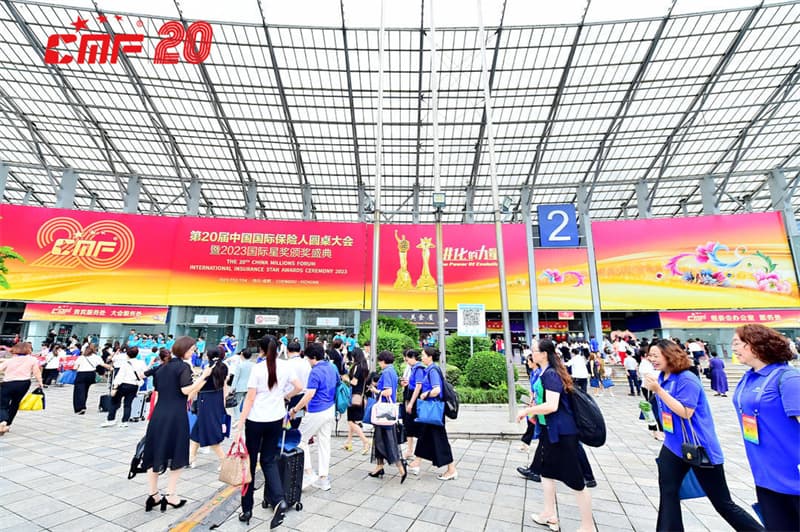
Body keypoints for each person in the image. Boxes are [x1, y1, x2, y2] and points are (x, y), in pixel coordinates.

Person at [642, 339, 763, 532]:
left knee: (722, 503)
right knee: (668, 493)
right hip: (672, 446)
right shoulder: (663, 377)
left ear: (670, 355)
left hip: (699, 447)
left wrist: (658, 390)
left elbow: (685, 412)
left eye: (656, 355)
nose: (652, 359)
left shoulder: (686, 379)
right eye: (650, 356)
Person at [515, 339, 594, 532]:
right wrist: (534, 409)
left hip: (563, 433)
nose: (531, 354)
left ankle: (588, 526)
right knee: (546, 472)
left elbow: (552, 405)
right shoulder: (543, 372)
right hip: (549, 431)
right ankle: (549, 514)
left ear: (544, 354)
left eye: (534, 350)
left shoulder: (551, 374)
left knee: (575, 480)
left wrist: (527, 411)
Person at [731, 324, 800, 531]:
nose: (734, 348)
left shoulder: (788, 378)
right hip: (765, 476)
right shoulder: (748, 378)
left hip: (795, 479)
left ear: (757, 345)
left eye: (738, 343)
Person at [236, 334, 303, 526]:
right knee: (269, 460)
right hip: (275, 419)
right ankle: (280, 500)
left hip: (255, 420)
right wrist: (285, 396)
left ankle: (247, 509)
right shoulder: (286, 366)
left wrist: (240, 421)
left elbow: (250, 398)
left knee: (249, 463)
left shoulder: (257, 368)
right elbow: (299, 387)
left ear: (262, 350)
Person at [142, 337, 211, 512]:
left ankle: (153, 494)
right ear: (185, 349)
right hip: (176, 416)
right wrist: (203, 376)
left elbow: (159, 389)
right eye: (192, 349)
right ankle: (171, 495)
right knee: (176, 453)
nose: (193, 352)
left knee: (155, 452)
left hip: (158, 415)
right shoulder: (183, 367)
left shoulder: (162, 367)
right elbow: (185, 390)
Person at [290, 342, 339, 491]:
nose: (308, 362)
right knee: (324, 443)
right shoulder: (331, 367)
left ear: (313, 357)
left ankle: (309, 473)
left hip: (317, 410)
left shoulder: (315, 371)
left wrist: (295, 409)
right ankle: (323, 479)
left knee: (300, 440)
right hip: (330, 408)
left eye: (308, 359)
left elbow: (310, 394)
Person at [408, 347, 455, 481]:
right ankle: (416, 462)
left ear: (430, 357)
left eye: (423, 355)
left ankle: (451, 469)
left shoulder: (433, 371)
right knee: (424, 436)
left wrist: (425, 394)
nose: (421, 357)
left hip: (433, 411)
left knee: (440, 440)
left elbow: (437, 390)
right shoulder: (429, 369)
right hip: (430, 412)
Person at [367, 350, 408, 483]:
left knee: (387, 440)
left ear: (383, 361)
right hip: (386, 413)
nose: (379, 363)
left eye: (379, 361)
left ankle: (401, 468)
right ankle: (379, 467)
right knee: (380, 439)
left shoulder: (386, 372)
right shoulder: (392, 371)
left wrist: (376, 390)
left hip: (384, 413)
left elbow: (388, 392)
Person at [189, 346, 229, 468]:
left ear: (208, 356)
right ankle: (191, 458)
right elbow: (224, 385)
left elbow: (199, 386)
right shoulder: (224, 367)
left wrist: (189, 396)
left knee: (210, 432)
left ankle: (224, 460)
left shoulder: (209, 368)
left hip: (206, 401)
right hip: (217, 400)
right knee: (196, 431)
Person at [0, 342, 44, 435]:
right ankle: (8, 424)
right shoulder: (32, 360)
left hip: (8, 383)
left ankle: (2, 420)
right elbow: (36, 372)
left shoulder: (10, 361)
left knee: (3, 404)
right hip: (24, 384)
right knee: (15, 403)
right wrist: (40, 382)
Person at [101, 345, 146, 428]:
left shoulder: (125, 363)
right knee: (128, 404)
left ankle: (111, 419)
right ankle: (124, 421)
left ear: (127, 354)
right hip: (134, 385)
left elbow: (120, 376)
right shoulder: (141, 363)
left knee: (114, 402)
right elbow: (144, 374)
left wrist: (114, 387)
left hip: (123, 384)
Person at [342, 347, 371, 455]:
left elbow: (354, 382)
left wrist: (345, 378)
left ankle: (365, 441)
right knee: (353, 421)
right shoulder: (364, 366)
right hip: (360, 396)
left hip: (354, 396)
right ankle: (348, 442)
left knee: (350, 421)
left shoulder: (357, 367)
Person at [400, 349, 425, 461]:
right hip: (409, 397)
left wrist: (411, 403)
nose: (406, 361)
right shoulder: (412, 368)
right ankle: (409, 450)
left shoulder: (419, 369)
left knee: (416, 425)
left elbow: (418, 386)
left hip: (415, 400)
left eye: (408, 359)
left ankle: (417, 452)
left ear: (413, 358)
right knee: (408, 424)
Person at [72, 344, 109, 414]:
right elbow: (103, 364)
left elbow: (75, 367)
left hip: (81, 374)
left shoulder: (81, 357)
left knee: (79, 391)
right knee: (85, 390)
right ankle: (83, 405)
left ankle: (80, 407)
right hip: (91, 374)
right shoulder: (96, 357)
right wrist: (110, 367)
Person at [229, 348, 254, 426]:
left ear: (242, 354)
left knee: (236, 404)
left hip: (240, 387)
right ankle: (245, 418)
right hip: (250, 387)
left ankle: (237, 418)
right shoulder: (254, 365)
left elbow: (236, 378)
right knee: (247, 404)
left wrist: (232, 388)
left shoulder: (240, 365)